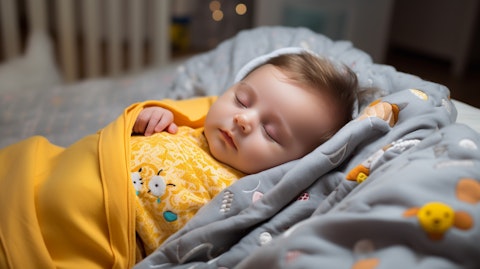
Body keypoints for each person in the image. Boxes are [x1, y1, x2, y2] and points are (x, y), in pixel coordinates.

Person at [128, 47, 360, 259]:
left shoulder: (248, 199)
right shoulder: (188, 127)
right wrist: (147, 120)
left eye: (270, 133)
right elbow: (123, 136)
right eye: (242, 100)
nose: (243, 120)